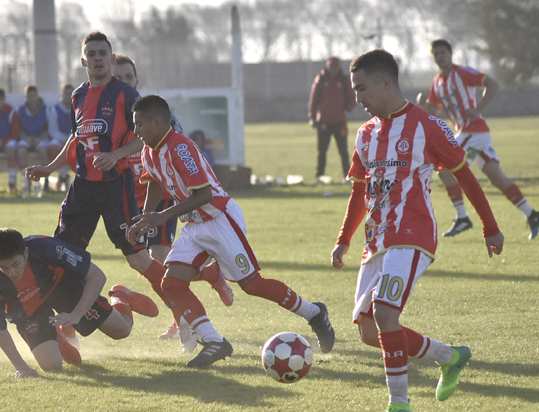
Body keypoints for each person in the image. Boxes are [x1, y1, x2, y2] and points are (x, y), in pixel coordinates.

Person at [331, 49, 504, 412]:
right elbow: (360, 192)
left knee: (385, 314)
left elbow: (465, 175)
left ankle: (400, 409)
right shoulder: (366, 133)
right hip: (375, 239)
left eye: (361, 89)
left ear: (386, 82)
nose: (357, 98)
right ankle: (449, 355)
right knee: (367, 332)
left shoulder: (428, 126)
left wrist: (489, 226)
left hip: (412, 234)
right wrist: (344, 239)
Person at [129, 94, 335, 368]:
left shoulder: (180, 147)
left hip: (220, 218)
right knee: (172, 283)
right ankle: (214, 342)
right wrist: (145, 217)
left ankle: (314, 312)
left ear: (157, 122)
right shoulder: (148, 151)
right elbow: (154, 180)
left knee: (252, 285)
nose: (135, 131)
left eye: (140, 124)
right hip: (194, 224)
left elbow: (203, 195)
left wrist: (160, 217)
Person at [25, 32, 184, 335]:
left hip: (115, 186)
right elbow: (76, 139)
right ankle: (65, 330)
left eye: (103, 53)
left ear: (111, 59)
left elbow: (145, 138)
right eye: (92, 54)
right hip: (83, 187)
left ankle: (183, 315)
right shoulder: (78, 97)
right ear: (83, 61)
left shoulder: (125, 95)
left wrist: (116, 155)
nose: (97, 58)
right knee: (61, 258)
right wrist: (50, 167)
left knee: (139, 258)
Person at [113, 54, 233, 340]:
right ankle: (210, 276)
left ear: (137, 80)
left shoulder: (156, 116)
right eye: (118, 79)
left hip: (161, 198)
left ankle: (183, 320)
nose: (124, 83)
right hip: (130, 199)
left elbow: (174, 162)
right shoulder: (109, 117)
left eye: (128, 77)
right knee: (141, 262)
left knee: (162, 259)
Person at [417, 39, 539, 239]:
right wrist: (424, 105)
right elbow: (436, 110)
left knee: (445, 169)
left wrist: (479, 108)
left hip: (473, 131)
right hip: (471, 134)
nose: (440, 56)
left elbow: (492, 84)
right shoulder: (437, 82)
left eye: (443, 52)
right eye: (436, 53)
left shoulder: (462, 73)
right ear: (433, 57)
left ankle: (462, 218)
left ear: (450, 54)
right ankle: (532, 214)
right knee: (497, 177)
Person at [0, 228, 139, 377]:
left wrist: (77, 314)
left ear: (26, 253)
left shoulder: (47, 248)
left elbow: (97, 275)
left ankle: (121, 294)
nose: (12, 272)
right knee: (52, 367)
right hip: (28, 307)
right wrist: (22, 368)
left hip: (62, 288)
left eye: (16, 264)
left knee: (122, 330)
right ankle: (57, 336)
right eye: (4, 267)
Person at [308, 56, 356, 184]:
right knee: (322, 150)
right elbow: (314, 99)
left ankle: (347, 176)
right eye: (331, 66)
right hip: (324, 121)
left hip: (339, 121)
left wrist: (347, 107)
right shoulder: (322, 80)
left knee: (343, 151)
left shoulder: (344, 80)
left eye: (335, 66)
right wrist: (312, 117)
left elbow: (352, 96)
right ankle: (319, 176)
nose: (333, 69)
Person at [17, 85, 50, 197]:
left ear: (37, 96)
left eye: (33, 96)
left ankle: (45, 182)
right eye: (29, 96)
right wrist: (25, 137)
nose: (32, 99)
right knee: (21, 151)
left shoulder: (45, 109)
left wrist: (41, 138)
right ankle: (26, 181)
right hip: (26, 138)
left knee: (43, 151)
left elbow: (47, 128)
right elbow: (18, 128)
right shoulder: (21, 110)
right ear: (25, 97)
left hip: (40, 138)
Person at [47, 83, 75, 192]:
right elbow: (52, 129)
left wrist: (69, 139)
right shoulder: (55, 109)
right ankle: (64, 176)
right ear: (62, 95)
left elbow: (79, 126)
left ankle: (68, 178)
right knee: (53, 147)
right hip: (59, 139)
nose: (69, 96)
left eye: (71, 94)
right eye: (66, 94)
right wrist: (63, 139)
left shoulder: (77, 109)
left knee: (77, 149)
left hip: (73, 139)